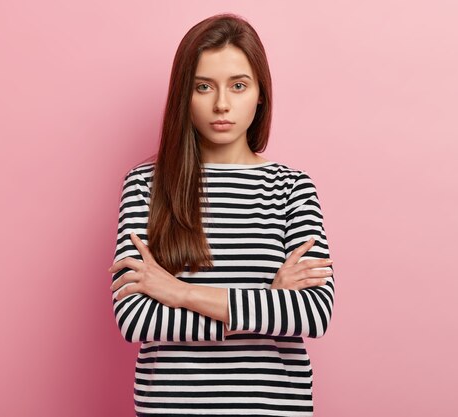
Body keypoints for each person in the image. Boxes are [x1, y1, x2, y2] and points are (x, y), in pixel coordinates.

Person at [108, 13, 335, 417]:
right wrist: (267, 304)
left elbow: (312, 312)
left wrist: (180, 293)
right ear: (184, 94)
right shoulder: (145, 185)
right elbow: (135, 318)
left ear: (260, 93)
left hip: (272, 408)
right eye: (203, 87)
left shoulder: (292, 187)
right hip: (171, 408)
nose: (222, 104)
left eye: (238, 85)